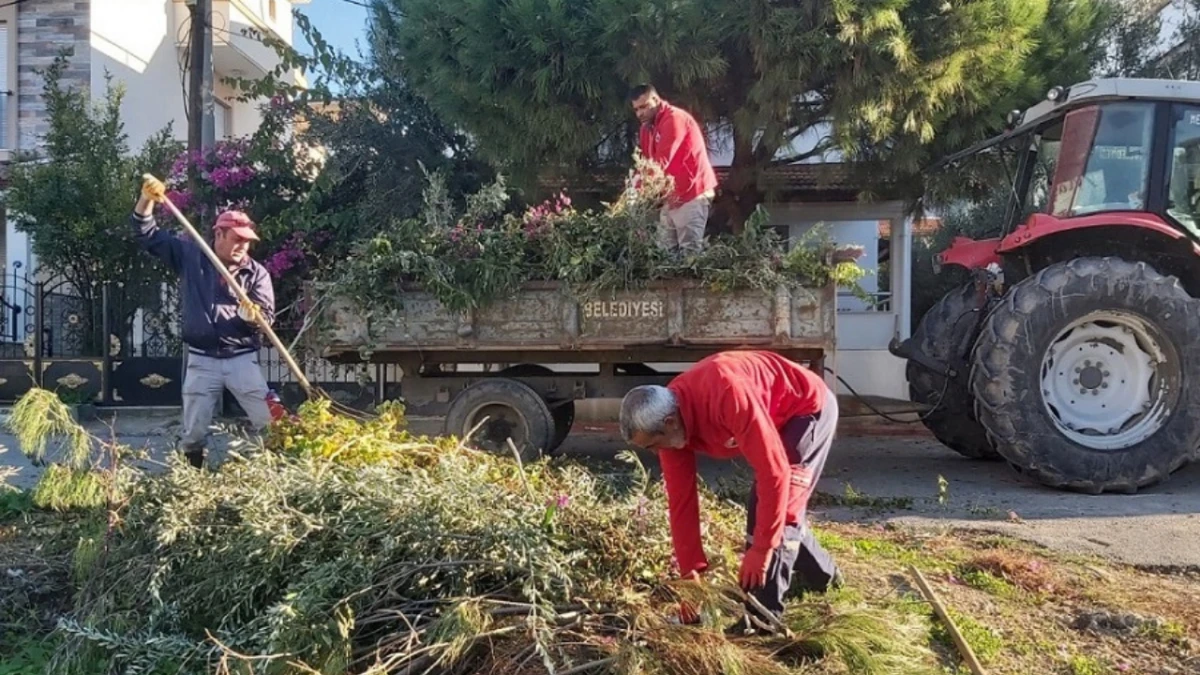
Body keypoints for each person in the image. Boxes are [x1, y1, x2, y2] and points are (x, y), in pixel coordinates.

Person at [619, 350, 841, 630]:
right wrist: (692, 584)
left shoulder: (725, 392)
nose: (655, 453)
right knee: (768, 509)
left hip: (806, 409)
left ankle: (761, 622)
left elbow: (775, 473)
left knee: (780, 510)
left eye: (651, 446)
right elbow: (681, 504)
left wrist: (760, 550)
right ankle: (826, 576)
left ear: (669, 423)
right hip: (769, 414)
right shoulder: (668, 425)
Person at [132, 176, 276, 468]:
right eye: (237, 239)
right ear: (219, 234)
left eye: (247, 242)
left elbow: (267, 319)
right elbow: (145, 233)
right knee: (194, 431)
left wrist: (253, 316)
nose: (242, 247)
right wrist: (146, 200)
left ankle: (276, 475)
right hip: (201, 360)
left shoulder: (256, 274)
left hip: (241, 359)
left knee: (268, 421)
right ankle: (193, 484)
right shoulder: (191, 256)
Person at [630, 84, 718, 256]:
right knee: (664, 253)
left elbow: (661, 163)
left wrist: (635, 190)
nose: (640, 113)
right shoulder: (646, 128)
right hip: (672, 196)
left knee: (690, 254)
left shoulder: (674, 119)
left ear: (656, 100)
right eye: (636, 109)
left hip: (692, 192)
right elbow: (647, 164)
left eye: (644, 107)